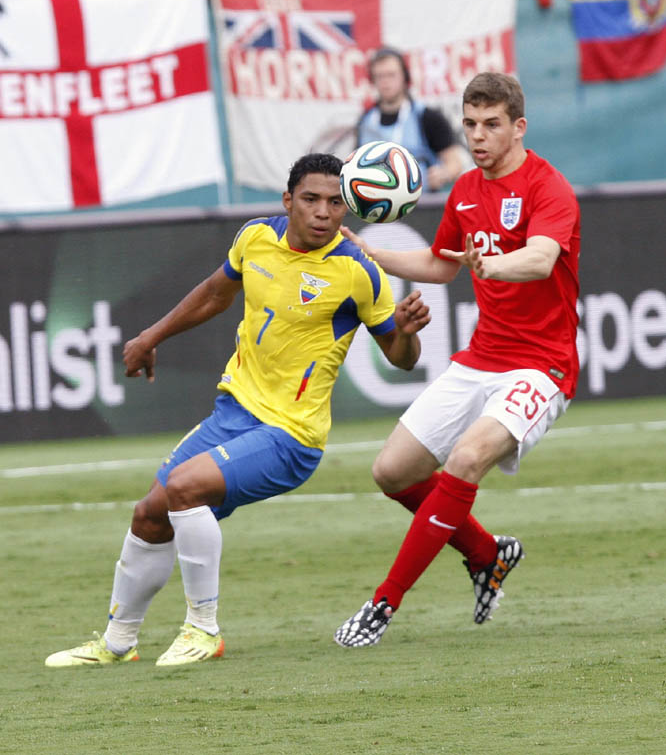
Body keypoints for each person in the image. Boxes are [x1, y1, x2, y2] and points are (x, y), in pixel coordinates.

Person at [45, 153, 431, 668]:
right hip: (234, 411)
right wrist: (150, 336)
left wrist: (405, 334)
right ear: (287, 201)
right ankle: (117, 644)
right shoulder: (256, 238)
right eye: (311, 199)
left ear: (349, 208)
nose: (322, 212)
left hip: (291, 435)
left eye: (335, 202)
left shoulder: (358, 272)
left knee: (183, 488)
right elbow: (213, 295)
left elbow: (401, 361)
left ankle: (203, 629)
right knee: (149, 515)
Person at [334, 72, 580, 647]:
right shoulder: (467, 190)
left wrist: (496, 265)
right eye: (470, 124)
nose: (478, 136)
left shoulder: (549, 188)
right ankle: (487, 554)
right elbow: (443, 263)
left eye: (491, 125)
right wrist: (375, 254)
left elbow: (542, 259)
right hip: (482, 357)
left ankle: (382, 605)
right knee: (391, 471)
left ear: (518, 127)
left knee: (468, 457)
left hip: (542, 366)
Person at [357, 46, 464, 192]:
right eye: (379, 76)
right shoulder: (365, 121)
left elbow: (455, 163)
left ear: (404, 77)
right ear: (372, 80)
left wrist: (443, 174)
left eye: (391, 75)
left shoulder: (428, 117)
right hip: (379, 207)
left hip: (423, 207)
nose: (385, 82)